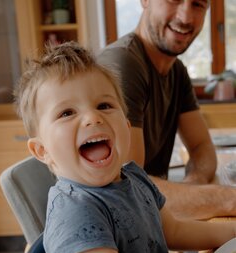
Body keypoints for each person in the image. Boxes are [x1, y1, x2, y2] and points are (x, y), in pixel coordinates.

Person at [15, 41, 236, 253]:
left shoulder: (133, 176)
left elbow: (174, 231)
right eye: (67, 113)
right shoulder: (75, 212)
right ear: (42, 151)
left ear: (126, 123)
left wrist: (230, 232)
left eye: (104, 105)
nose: (93, 117)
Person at [97, 0, 236, 221]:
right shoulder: (122, 64)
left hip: (153, 223)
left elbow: (202, 147)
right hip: (114, 237)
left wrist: (193, 185)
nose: (186, 17)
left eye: (198, 4)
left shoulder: (176, 71)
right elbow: (127, 186)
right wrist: (227, 199)